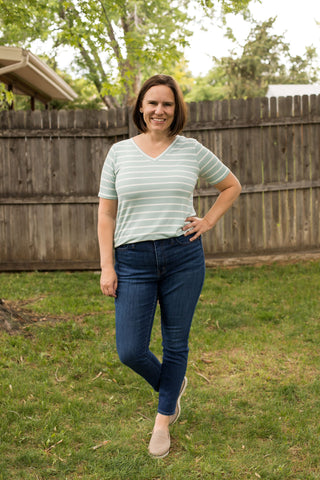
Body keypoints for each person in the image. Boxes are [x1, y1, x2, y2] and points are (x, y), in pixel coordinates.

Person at [97, 74, 241, 458]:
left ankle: (163, 421)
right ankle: (172, 385)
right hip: (133, 260)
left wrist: (207, 221)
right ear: (140, 108)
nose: (159, 110)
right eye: (152, 103)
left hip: (182, 257)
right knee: (130, 350)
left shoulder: (191, 150)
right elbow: (106, 214)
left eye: (167, 104)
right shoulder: (119, 153)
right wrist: (106, 266)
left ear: (176, 110)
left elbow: (232, 185)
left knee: (176, 343)